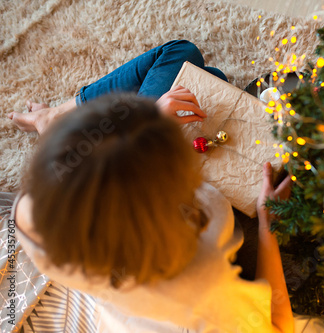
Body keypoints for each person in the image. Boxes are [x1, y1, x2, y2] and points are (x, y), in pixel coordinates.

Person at [5, 40, 294, 332]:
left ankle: (51, 118)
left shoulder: (33, 212)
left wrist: (150, 120)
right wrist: (267, 225)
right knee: (209, 80)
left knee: (204, 78)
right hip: (219, 241)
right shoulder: (204, 287)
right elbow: (279, 328)